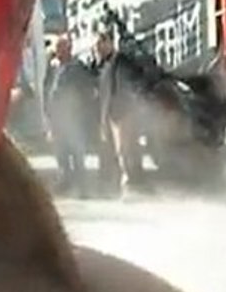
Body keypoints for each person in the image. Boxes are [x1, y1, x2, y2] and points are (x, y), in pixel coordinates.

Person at [94, 32, 148, 194]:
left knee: (126, 149)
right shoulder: (105, 65)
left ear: (109, 42)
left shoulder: (121, 61)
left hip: (123, 113)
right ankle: (127, 182)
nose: (98, 49)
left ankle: (133, 183)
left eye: (100, 44)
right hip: (112, 114)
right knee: (119, 151)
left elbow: (130, 85)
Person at [44, 35, 96, 196]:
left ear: (69, 49)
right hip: (57, 117)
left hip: (74, 116)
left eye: (62, 47)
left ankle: (83, 187)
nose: (58, 51)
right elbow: (47, 89)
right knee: (61, 152)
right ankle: (65, 181)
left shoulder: (77, 67)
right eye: (57, 48)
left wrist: (81, 111)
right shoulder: (52, 67)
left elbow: (86, 91)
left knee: (76, 151)